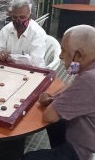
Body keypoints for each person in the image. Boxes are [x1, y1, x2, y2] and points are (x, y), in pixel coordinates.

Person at [22, 25, 95, 160]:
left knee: (28, 157)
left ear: (78, 55)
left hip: (80, 150)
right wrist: (54, 97)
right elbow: (72, 82)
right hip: (80, 132)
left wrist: (51, 103)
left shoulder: (89, 79)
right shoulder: (88, 66)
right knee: (55, 124)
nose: (61, 56)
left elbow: (49, 116)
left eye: (64, 50)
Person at [0, 0, 47, 68]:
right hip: (10, 69)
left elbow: (35, 61)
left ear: (30, 17)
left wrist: (10, 57)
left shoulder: (38, 33)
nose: (18, 21)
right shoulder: (7, 29)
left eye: (22, 17)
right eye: (15, 17)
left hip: (32, 71)